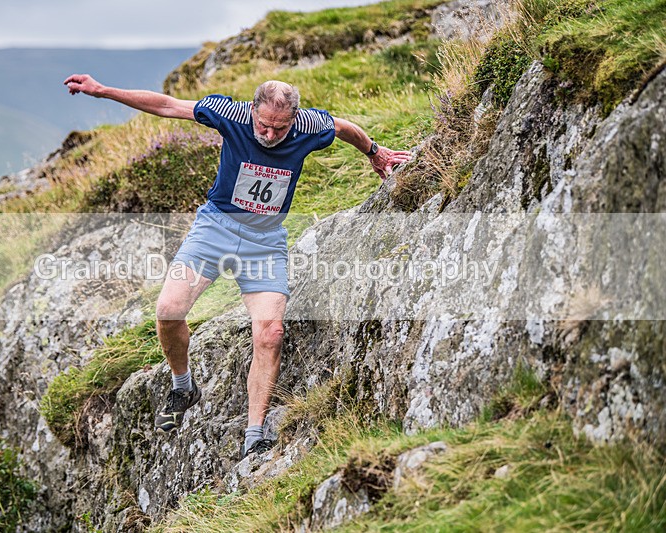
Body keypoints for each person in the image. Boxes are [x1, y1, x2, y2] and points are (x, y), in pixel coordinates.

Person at [64, 74, 412, 459]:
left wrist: (375, 153)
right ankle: (183, 384)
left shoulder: (309, 126)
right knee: (168, 310)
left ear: (294, 119)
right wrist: (103, 90)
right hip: (214, 229)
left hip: (264, 243)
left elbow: (344, 128)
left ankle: (254, 433)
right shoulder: (227, 113)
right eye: (263, 124)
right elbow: (167, 105)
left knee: (270, 334)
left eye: (280, 128)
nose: (269, 133)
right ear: (252, 110)